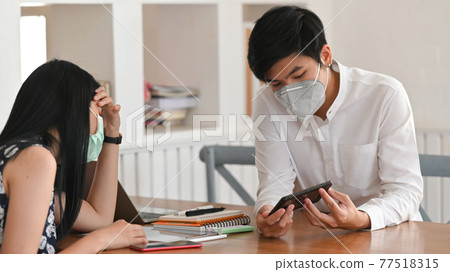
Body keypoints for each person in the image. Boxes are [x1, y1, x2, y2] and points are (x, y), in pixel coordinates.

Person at [247, 6, 423, 237]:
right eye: (276, 84)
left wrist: (360, 218)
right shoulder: (267, 103)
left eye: (299, 75)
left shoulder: (384, 95)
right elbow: (275, 179)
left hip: (389, 235)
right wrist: (268, 212)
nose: (289, 91)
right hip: (316, 238)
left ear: (326, 56)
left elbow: (405, 190)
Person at [0, 59, 147, 253]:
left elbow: (100, 218)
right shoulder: (35, 159)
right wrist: (102, 239)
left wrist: (112, 131)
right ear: (76, 112)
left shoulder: (18, 155)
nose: (98, 124)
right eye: (98, 113)